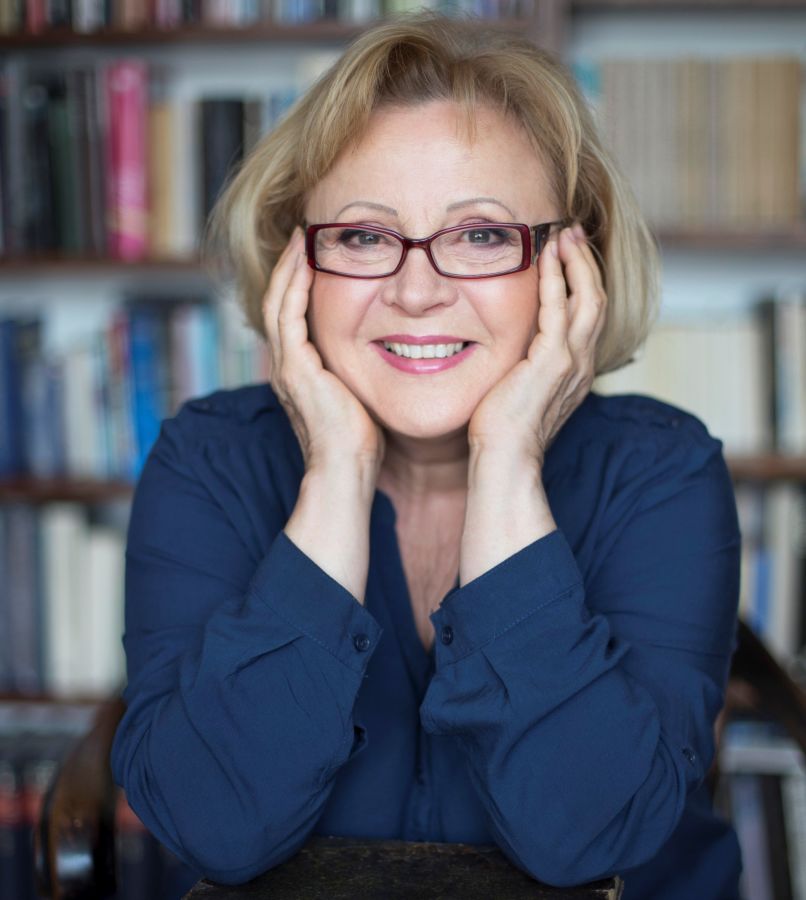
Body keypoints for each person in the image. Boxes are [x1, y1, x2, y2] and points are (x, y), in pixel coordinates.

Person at [111, 14, 743, 899]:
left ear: (575, 268)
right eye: (363, 237)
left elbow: (587, 835)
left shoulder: (662, 473)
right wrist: (335, 471)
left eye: (481, 235)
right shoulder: (209, 462)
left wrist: (509, 462)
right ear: (299, 265)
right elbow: (216, 825)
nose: (416, 291)